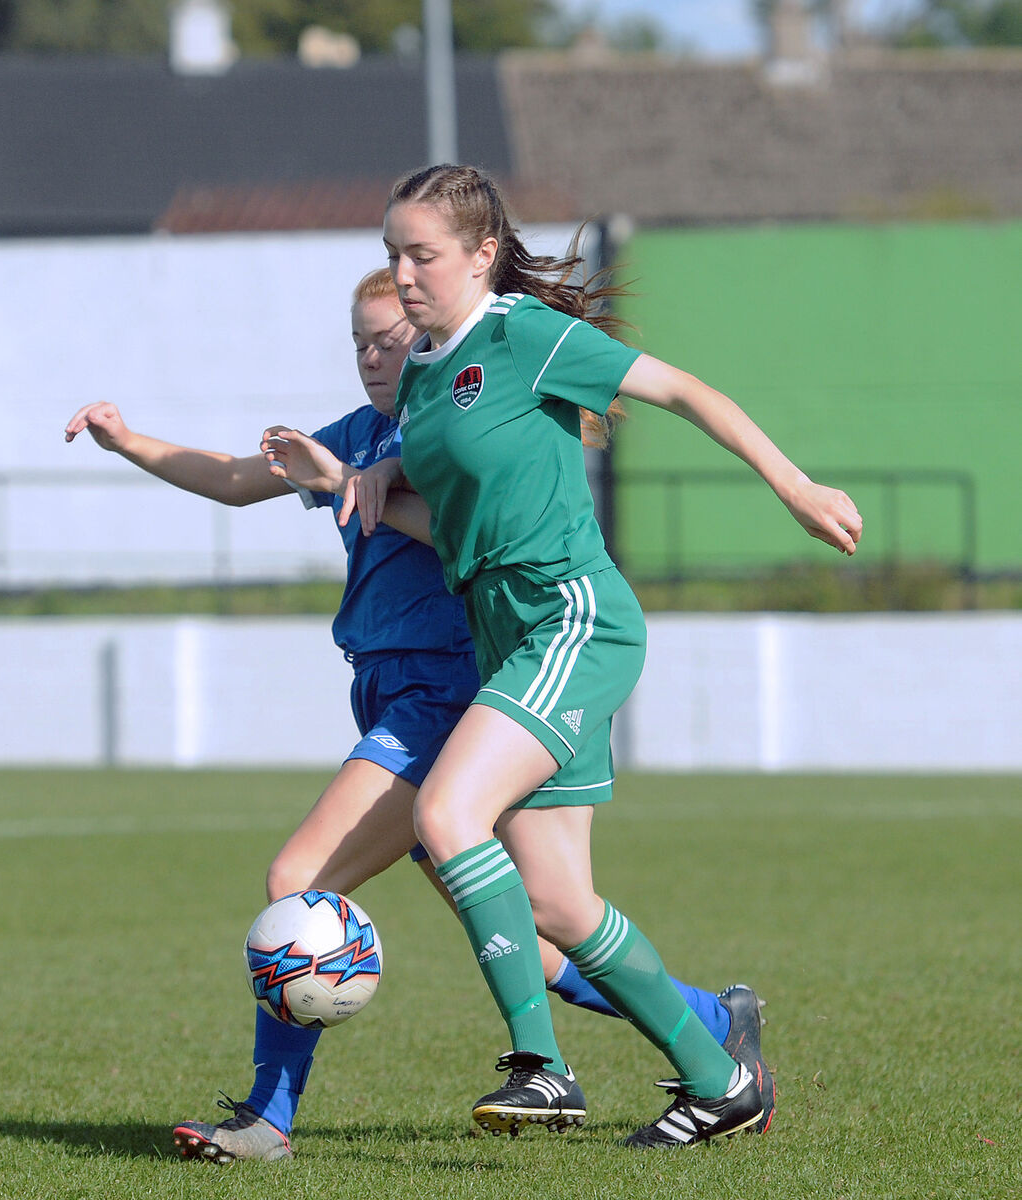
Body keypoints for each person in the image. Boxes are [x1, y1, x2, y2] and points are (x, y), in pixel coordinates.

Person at [64, 267, 769, 1162]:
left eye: (387, 339)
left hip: (448, 690)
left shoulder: (453, 431)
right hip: (392, 688)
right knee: (539, 924)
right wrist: (129, 442)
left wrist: (352, 484)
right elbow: (240, 479)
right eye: (357, 341)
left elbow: (466, 531)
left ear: (434, 327)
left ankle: (270, 1118)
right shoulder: (363, 433)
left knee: (299, 880)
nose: (370, 356)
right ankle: (713, 1022)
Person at [267, 165, 860, 1149]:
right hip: (510, 635)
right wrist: (359, 476)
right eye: (390, 254)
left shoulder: (523, 335)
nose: (402, 273)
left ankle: (541, 1067)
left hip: (572, 620)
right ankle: (722, 1075)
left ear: (479, 253)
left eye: (420, 254)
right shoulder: (423, 375)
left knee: (446, 813)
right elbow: (435, 512)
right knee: (555, 904)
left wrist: (790, 485)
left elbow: (679, 388)